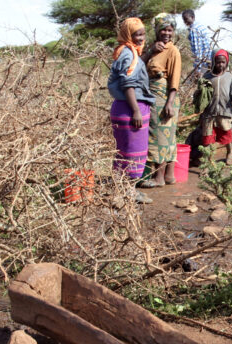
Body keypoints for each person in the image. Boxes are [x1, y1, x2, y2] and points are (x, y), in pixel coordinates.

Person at [107, 17, 155, 204]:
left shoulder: (127, 52)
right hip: (130, 108)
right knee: (132, 152)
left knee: (124, 152)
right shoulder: (128, 54)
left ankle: (127, 190)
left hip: (124, 107)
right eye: (137, 34)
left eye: (143, 33)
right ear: (128, 35)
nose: (141, 38)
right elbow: (128, 84)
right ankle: (127, 192)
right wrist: (136, 110)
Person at [138, 13, 182, 188]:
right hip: (154, 96)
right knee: (166, 136)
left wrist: (169, 103)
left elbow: (174, 79)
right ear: (156, 30)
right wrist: (151, 51)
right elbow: (138, 65)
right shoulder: (154, 48)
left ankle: (159, 178)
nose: (166, 33)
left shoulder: (173, 51)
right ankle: (169, 176)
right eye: (163, 29)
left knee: (159, 137)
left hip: (164, 97)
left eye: (170, 30)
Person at [195, 49, 232, 164]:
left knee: (227, 134)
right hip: (209, 112)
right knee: (207, 138)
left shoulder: (229, 77)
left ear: (227, 63)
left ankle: (229, 153)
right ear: (213, 61)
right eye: (218, 62)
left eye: (223, 62)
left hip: (224, 111)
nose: (221, 65)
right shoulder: (207, 77)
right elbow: (201, 95)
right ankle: (208, 161)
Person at [182, 9, 212, 75]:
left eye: (186, 19)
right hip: (209, 60)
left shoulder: (194, 30)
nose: (185, 22)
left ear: (192, 17)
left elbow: (198, 51)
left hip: (204, 62)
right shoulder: (199, 26)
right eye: (184, 20)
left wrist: (197, 69)